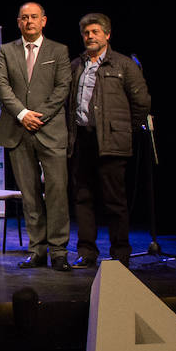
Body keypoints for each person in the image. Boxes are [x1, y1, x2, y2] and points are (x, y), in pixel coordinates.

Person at [68, 13, 151, 268]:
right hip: (82, 140)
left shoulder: (124, 65)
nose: (90, 36)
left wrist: (123, 129)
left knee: (114, 200)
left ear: (107, 35)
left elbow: (141, 103)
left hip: (112, 143)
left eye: (95, 32)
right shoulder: (76, 65)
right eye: (86, 33)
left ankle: (120, 253)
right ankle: (87, 252)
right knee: (83, 198)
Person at [0, 2, 72, 270]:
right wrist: (22, 114)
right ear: (19, 22)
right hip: (18, 130)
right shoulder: (6, 51)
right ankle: (37, 249)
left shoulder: (58, 51)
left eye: (34, 17)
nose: (29, 21)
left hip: (50, 131)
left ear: (44, 21)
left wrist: (40, 116)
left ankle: (59, 251)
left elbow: (63, 88)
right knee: (29, 195)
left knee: (57, 192)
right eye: (24, 18)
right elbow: (1, 85)